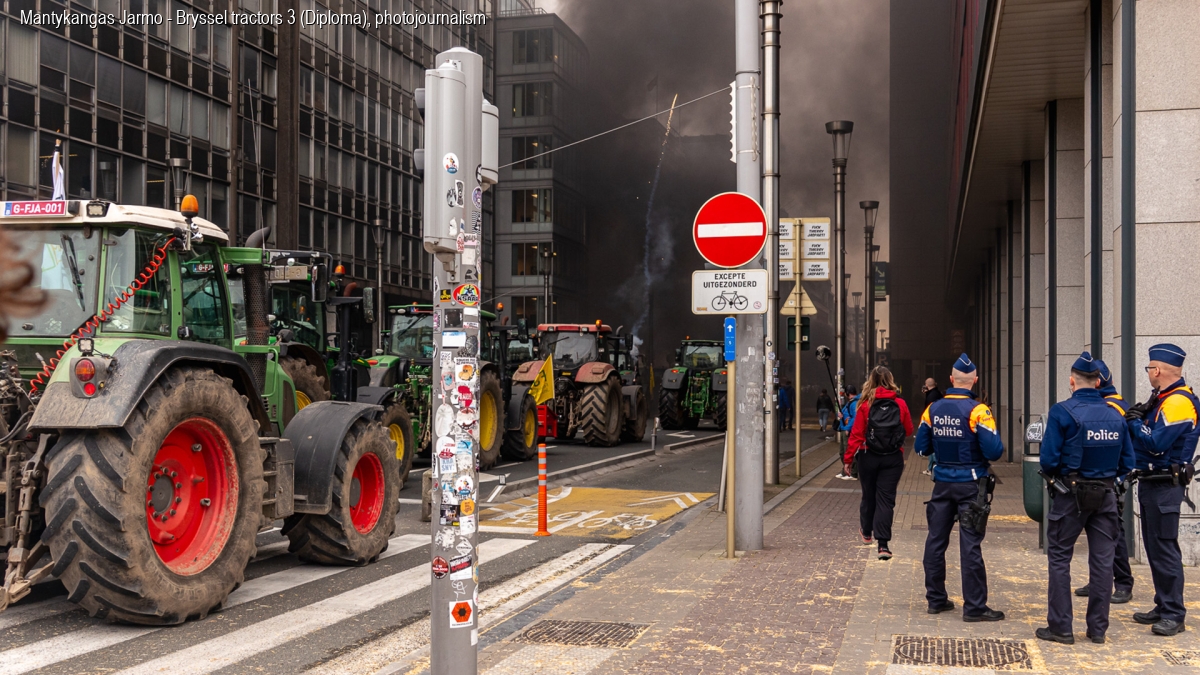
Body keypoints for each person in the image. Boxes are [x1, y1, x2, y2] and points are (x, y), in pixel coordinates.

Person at [1035, 351, 1135, 645]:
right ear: (1098, 382)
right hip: (1105, 494)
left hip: (1070, 495)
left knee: (1059, 558)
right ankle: (1098, 630)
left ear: (1072, 381)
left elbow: (1048, 460)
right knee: (1103, 563)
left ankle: (1061, 628)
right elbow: (1127, 462)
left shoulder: (1062, 412)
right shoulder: (1115, 414)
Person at [914, 353, 1006, 622]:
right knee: (970, 546)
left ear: (951, 379)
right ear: (974, 381)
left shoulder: (932, 409)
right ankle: (974, 607)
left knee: (935, 541)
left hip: (942, 484)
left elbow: (921, 448)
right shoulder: (979, 411)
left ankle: (936, 600)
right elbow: (995, 451)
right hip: (971, 486)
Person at [1124, 344, 1198, 637]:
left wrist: (1135, 424)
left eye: (1149, 369)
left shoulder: (1178, 402)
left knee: (1165, 549)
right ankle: (1163, 603)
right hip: (1154, 483)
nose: (1148, 374)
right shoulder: (1163, 398)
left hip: (1165, 485)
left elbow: (1156, 444)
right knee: (1155, 549)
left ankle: (1174, 614)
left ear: (1156, 370)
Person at [1074, 358, 1135, 604]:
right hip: (1104, 478)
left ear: (1097, 382)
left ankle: (1123, 583)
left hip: (1111, 478)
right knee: (1099, 533)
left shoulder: (1113, 407)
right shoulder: (1109, 404)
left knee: (1113, 532)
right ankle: (1100, 580)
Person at [845, 366, 913, 559]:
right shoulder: (900, 403)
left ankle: (867, 533)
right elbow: (908, 430)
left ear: (871, 381)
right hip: (893, 457)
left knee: (869, 495)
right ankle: (883, 546)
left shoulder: (865, 404)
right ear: (891, 380)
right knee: (886, 499)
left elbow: (857, 435)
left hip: (868, 455)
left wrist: (848, 459)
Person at [835, 386, 861, 480]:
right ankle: (845, 471)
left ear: (847, 393)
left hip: (847, 429)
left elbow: (855, 417)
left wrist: (848, 428)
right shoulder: (851, 402)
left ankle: (853, 472)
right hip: (844, 427)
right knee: (842, 452)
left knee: (848, 451)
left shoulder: (854, 403)